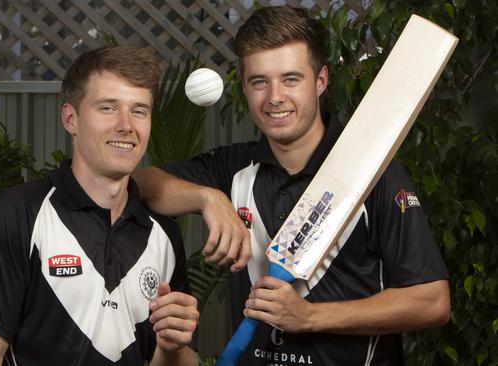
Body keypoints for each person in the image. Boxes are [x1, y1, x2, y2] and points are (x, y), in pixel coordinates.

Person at [133, 6, 450, 365]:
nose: (274, 97)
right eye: (259, 82)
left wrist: (311, 317)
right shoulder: (232, 168)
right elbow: (140, 183)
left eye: (291, 79)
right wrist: (208, 198)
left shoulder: (374, 175)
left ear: (321, 81)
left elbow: (432, 301)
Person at [0, 45, 199, 366]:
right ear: (71, 118)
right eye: (108, 108)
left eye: (139, 110)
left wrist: (172, 347)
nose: (126, 125)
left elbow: (171, 360)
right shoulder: (20, 214)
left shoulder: (164, 234)